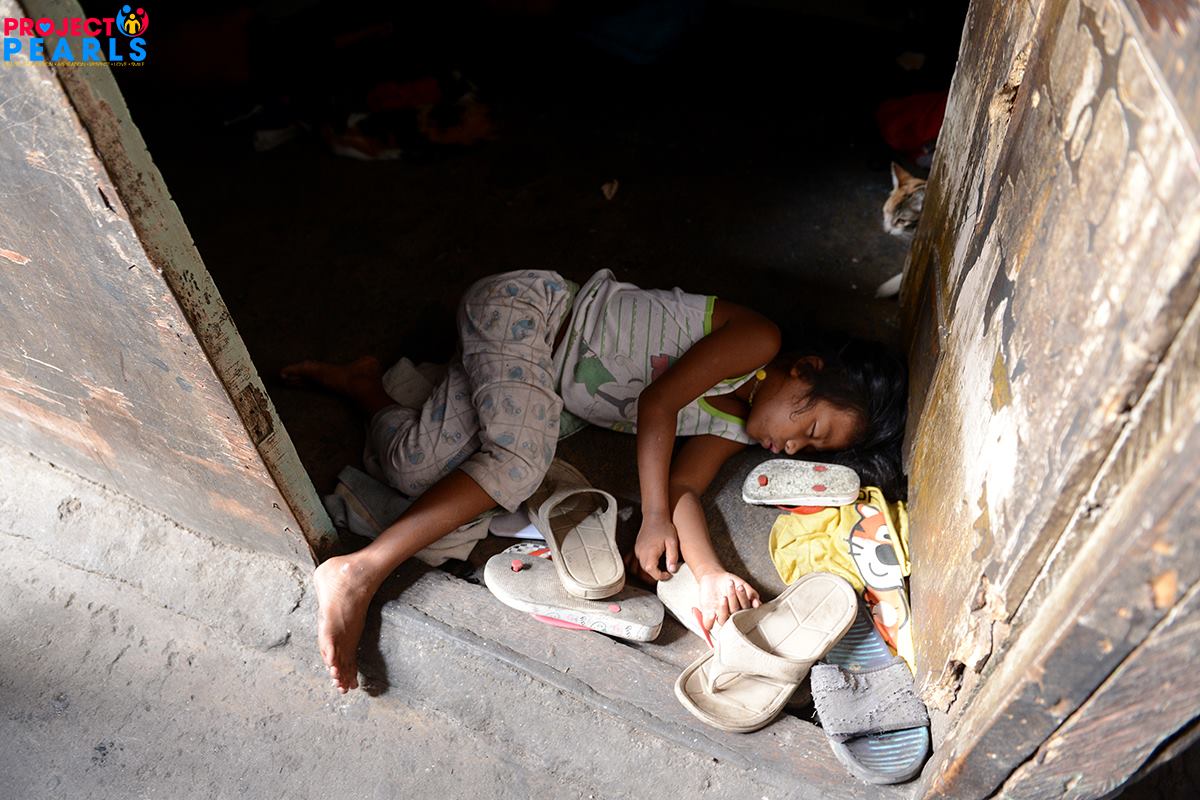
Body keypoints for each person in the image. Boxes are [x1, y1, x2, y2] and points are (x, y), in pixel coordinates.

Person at [282, 269, 906, 693]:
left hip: (537, 382)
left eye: (809, 450)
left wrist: (711, 571)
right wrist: (652, 517)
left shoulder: (740, 429)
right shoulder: (756, 340)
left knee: (409, 467)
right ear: (804, 370)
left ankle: (367, 386)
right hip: (528, 314)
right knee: (518, 461)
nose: (791, 448)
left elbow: (685, 489)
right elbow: (658, 404)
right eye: (811, 429)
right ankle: (359, 570)